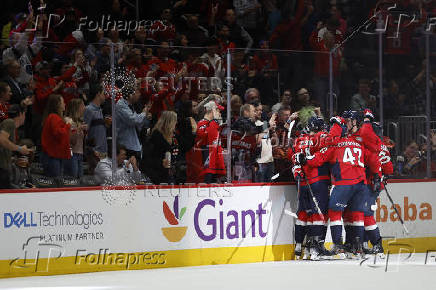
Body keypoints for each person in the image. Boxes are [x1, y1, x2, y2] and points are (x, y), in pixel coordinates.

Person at [188, 101, 225, 183]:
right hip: (205, 166)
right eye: (218, 111)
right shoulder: (202, 124)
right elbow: (205, 140)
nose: (220, 114)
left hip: (213, 164)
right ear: (213, 111)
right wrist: (215, 121)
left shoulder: (212, 124)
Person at [140, 111, 178, 185]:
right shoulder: (156, 135)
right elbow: (148, 157)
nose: (176, 123)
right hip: (156, 173)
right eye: (175, 121)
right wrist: (161, 162)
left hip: (168, 172)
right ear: (169, 122)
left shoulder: (172, 135)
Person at [0, 104, 31, 188]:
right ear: (20, 114)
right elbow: (2, 140)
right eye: (24, 114)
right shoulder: (10, 122)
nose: (25, 117)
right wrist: (20, 149)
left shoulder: (11, 125)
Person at [40, 94, 72, 178]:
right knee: (55, 184)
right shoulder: (53, 117)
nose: (65, 104)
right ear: (57, 104)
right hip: (53, 157)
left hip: (55, 157)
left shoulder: (55, 117)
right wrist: (68, 124)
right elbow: (60, 134)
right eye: (63, 102)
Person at [115, 84, 150, 159]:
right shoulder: (121, 105)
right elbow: (133, 120)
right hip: (126, 145)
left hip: (134, 143)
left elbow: (138, 124)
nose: (139, 95)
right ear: (130, 95)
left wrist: (144, 116)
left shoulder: (130, 105)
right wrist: (143, 113)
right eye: (137, 93)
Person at [84, 84, 109, 174]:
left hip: (103, 153)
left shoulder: (100, 110)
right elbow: (84, 131)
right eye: (103, 93)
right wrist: (92, 150)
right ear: (98, 94)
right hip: (95, 154)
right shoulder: (88, 109)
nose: (105, 96)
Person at [63, 98, 87, 178]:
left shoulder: (79, 121)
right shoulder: (68, 121)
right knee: (72, 180)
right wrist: (79, 129)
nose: (85, 107)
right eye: (82, 105)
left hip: (80, 154)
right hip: (72, 154)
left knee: (80, 181)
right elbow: (70, 140)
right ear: (77, 107)